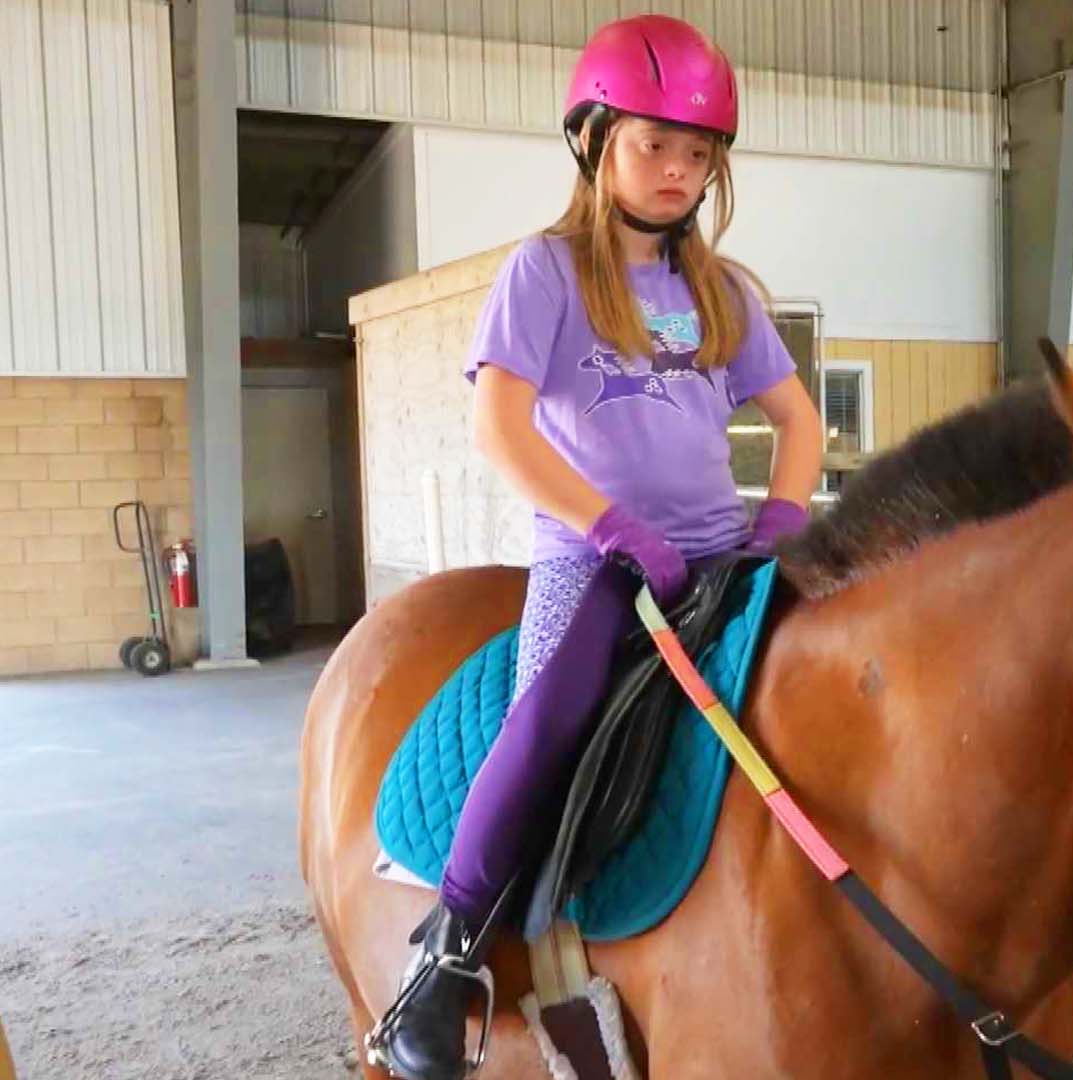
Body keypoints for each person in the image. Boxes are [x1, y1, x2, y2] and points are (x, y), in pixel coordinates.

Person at [366, 15, 822, 1079]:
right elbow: (499, 427)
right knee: (553, 713)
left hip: (723, 557)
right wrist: (609, 526)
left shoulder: (724, 289)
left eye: (698, 152)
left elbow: (800, 423)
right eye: (653, 145)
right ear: (594, 142)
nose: (677, 170)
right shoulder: (548, 272)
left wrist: (782, 523)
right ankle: (450, 955)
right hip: (594, 560)